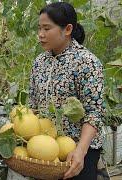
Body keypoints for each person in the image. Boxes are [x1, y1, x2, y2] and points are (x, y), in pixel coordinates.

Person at [29, 2, 105, 179]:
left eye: (47, 28)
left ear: (68, 29)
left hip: (80, 151)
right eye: (39, 28)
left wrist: (80, 151)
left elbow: (94, 113)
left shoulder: (87, 62)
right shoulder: (39, 62)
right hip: (47, 147)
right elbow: (33, 104)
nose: (40, 35)